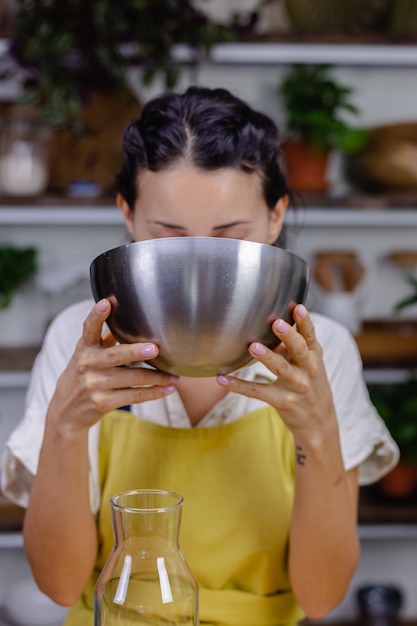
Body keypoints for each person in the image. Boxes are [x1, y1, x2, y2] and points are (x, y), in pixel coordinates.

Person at [1, 86, 398, 626]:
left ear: (276, 218)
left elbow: (322, 596)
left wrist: (317, 434)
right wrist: (64, 430)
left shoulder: (322, 351)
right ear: (128, 217)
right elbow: (58, 583)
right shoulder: (79, 342)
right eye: (168, 237)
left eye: (229, 237)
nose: (197, 269)